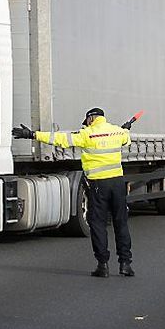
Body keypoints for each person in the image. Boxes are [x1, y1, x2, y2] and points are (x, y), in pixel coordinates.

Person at [12, 108, 134, 278]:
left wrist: (32, 135)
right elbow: (125, 138)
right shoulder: (117, 131)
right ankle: (125, 264)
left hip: (98, 185)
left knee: (98, 224)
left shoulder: (86, 134)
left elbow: (59, 139)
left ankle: (103, 265)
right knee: (121, 222)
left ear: (91, 119)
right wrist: (125, 128)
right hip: (118, 183)